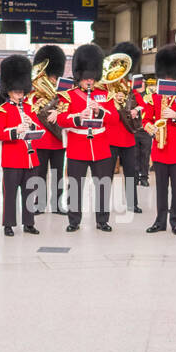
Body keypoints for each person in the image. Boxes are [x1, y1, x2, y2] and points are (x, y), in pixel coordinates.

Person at [49, 43, 114, 232]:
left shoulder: (104, 95)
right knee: (75, 186)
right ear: (79, 77)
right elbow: (60, 119)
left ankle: (102, 220)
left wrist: (99, 110)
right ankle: (73, 221)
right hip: (78, 146)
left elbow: (115, 118)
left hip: (100, 147)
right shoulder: (68, 96)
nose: (89, 81)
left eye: (92, 78)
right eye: (86, 78)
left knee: (103, 186)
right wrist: (78, 118)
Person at [144, 45, 176, 235]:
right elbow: (145, 120)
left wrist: (174, 115)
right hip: (160, 149)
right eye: (166, 76)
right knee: (161, 189)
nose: (169, 79)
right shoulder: (153, 97)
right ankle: (160, 221)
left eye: (172, 76)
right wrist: (153, 128)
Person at [0, 54, 42, 236]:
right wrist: (16, 130)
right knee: (10, 194)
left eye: (22, 91)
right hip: (12, 159)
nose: (20, 94)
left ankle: (29, 223)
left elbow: (38, 130)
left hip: (30, 158)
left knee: (30, 193)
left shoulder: (29, 109)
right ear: (9, 91)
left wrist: (31, 125)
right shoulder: (2, 110)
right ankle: (8, 224)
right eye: (16, 91)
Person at [106, 40, 143, 216]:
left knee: (131, 172)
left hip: (128, 136)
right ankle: (103, 204)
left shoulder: (130, 87)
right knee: (106, 174)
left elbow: (143, 104)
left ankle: (132, 203)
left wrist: (136, 109)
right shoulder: (105, 86)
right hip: (110, 137)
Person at [30, 44, 67, 215]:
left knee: (58, 174)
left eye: (54, 77)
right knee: (40, 174)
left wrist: (58, 110)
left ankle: (58, 205)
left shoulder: (63, 92)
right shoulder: (34, 94)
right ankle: (39, 203)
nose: (52, 80)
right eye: (50, 77)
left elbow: (68, 109)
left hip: (58, 139)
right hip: (41, 139)